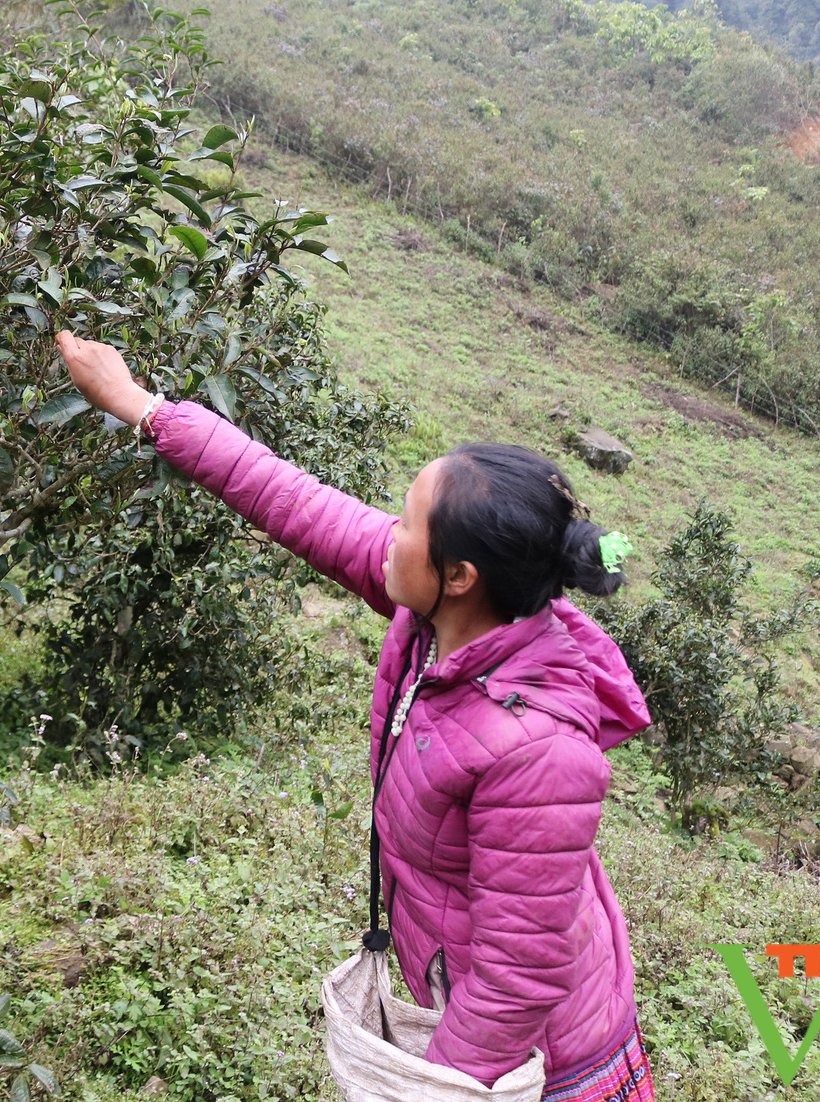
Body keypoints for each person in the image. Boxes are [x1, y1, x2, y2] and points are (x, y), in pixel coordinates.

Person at [55, 332, 656, 1102]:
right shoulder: (440, 617)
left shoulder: (537, 747)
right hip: (460, 989)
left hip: (545, 1059)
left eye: (407, 524)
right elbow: (292, 499)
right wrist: (139, 406)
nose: (388, 536)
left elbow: (516, 980)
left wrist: (429, 1088)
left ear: (460, 575)